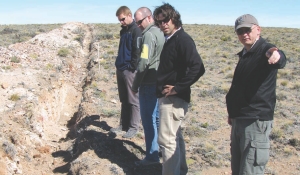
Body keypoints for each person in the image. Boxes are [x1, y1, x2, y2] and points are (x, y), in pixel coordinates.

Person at [226, 14, 286, 175]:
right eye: (240, 31)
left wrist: (275, 54)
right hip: (240, 118)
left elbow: (278, 56)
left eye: (247, 30)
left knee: (250, 170)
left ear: (257, 30)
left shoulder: (264, 50)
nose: (244, 34)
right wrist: (233, 113)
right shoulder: (246, 54)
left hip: (255, 120)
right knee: (238, 169)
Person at [153, 3, 205, 175]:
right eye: (159, 22)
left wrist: (178, 88)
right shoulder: (172, 39)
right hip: (169, 98)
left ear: (174, 18)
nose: (163, 25)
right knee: (175, 138)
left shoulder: (182, 39)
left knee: (167, 141)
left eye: (166, 20)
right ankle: (180, 171)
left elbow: (198, 67)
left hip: (173, 100)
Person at [132, 7, 165, 166]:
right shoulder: (159, 32)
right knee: (157, 118)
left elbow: (144, 62)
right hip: (158, 81)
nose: (138, 25)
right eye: (136, 22)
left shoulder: (148, 36)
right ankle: (159, 151)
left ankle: (152, 157)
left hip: (148, 83)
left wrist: (136, 83)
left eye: (140, 21)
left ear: (149, 18)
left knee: (148, 119)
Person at [110, 6, 142, 138]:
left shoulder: (136, 31)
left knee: (133, 99)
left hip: (129, 70)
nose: (121, 22)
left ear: (129, 16)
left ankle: (133, 127)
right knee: (124, 98)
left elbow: (137, 51)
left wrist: (131, 67)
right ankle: (123, 125)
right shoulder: (123, 31)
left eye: (123, 19)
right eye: (119, 20)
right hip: (121, 68)